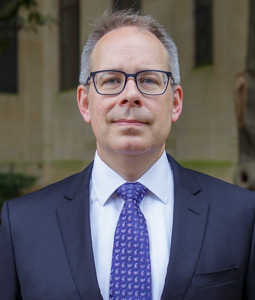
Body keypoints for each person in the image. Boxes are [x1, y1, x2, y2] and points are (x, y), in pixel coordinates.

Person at [0, 10, 255, 300]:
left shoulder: (242, 216)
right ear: (85, 103)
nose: (130, 94)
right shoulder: (23, 224)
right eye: (110, 80)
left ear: (175, 102)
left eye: (148, 80)